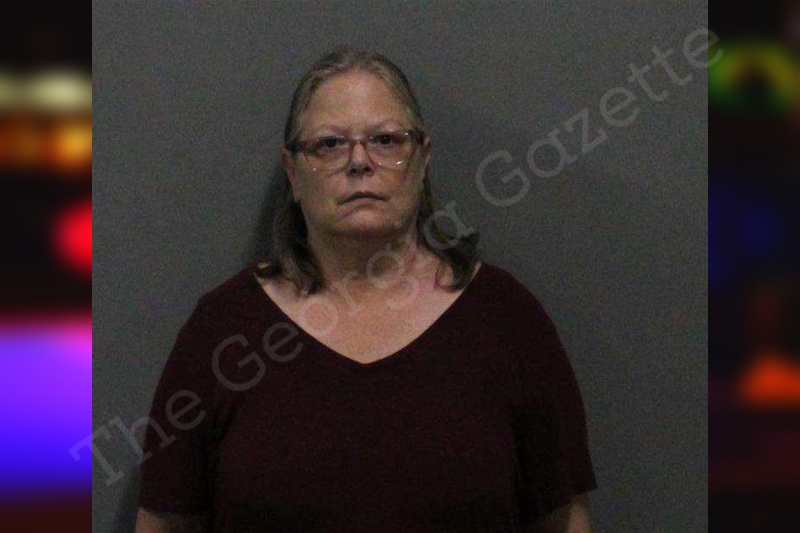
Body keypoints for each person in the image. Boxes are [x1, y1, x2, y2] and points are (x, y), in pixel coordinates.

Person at [135, 46, 598, 533]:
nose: (359, 161)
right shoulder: (223, 331)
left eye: (386, 140)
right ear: (292, 173)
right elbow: (163, 525)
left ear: (422, 160)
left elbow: (564, 520)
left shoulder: (507, 323)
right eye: (329, 144)